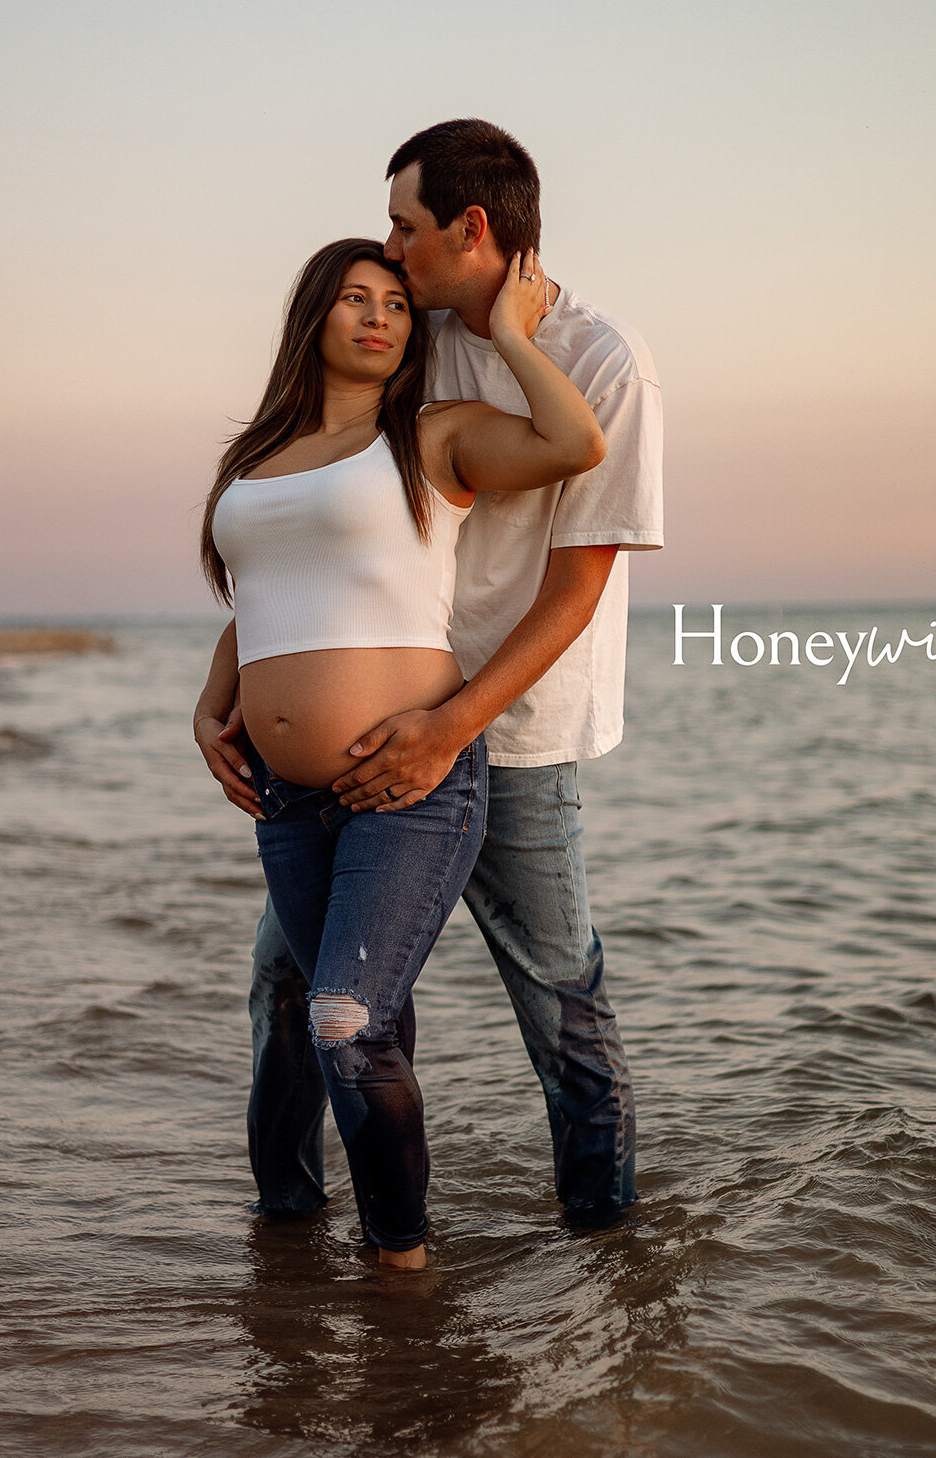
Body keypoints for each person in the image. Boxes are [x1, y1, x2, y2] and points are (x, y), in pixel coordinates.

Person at [199, 121, 664, 1229]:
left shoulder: (605, 361)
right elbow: (312, 553)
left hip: (511, 725)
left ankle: (607, 1250)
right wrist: (225, 691)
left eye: (407, 233)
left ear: (471, 228)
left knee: (559, 996)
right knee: (292, 989)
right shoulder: (407, 343)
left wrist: (448, 725)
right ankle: (293, 1241)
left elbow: (574, 589)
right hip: (361, 745)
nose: (391, 262)